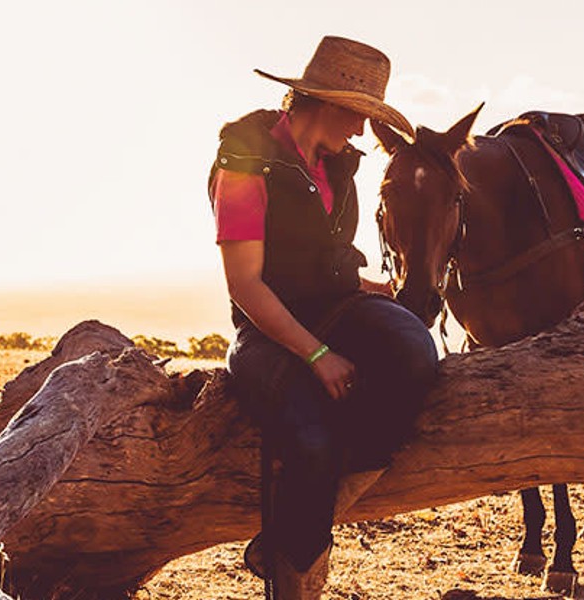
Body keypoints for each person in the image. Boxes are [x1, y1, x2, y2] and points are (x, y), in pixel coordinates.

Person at [207, 36, 438, 599]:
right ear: (328, 103)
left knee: (415, 351)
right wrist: (317, 355)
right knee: (310, 441)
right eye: (357, 116)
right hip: (266, 328)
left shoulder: (338, 163)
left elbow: (316, 256)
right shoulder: (244, 163)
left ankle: (297, 521)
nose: (360, 131)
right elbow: (246, 283)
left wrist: (362, 285)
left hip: (333, 306)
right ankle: (295, 577)